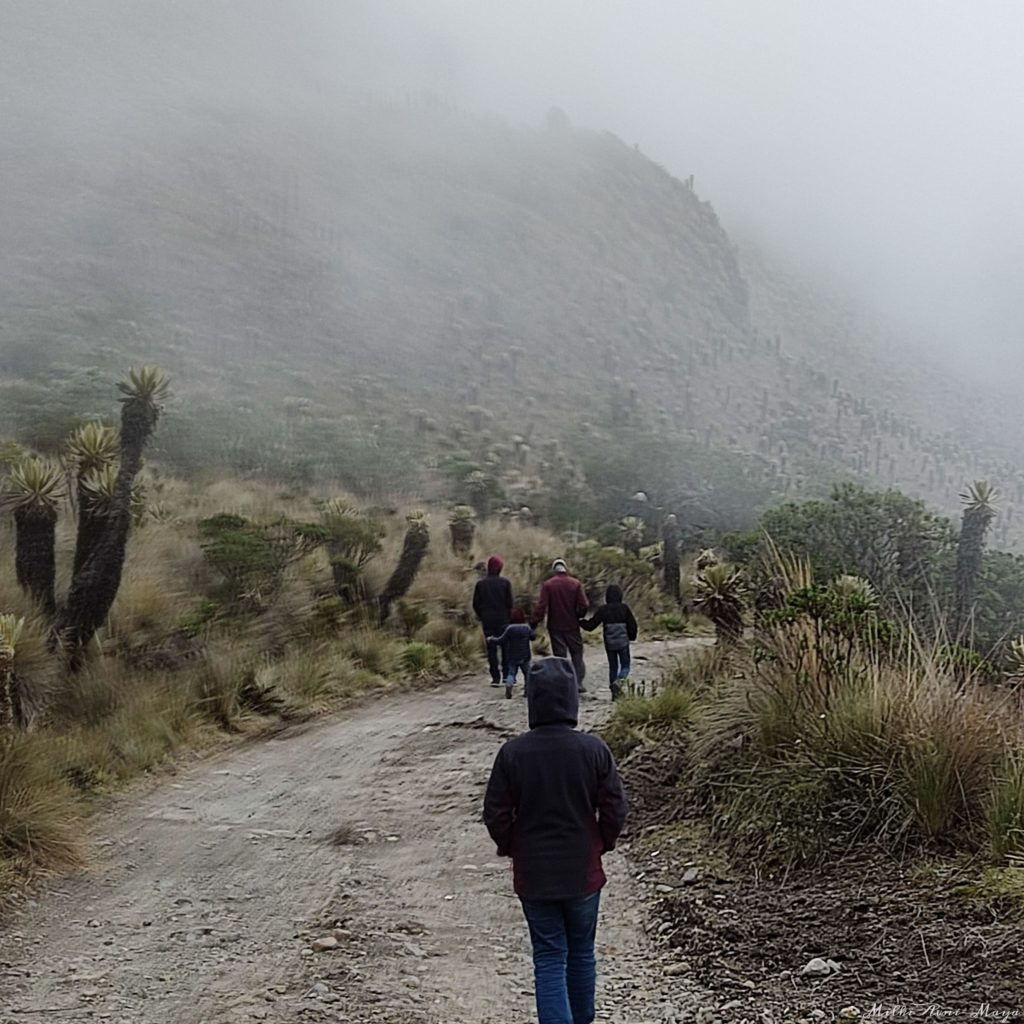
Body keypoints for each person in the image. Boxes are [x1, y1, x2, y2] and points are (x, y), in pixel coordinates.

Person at [484, 657, 628, 1024]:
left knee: (548, 956)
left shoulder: (512, 754)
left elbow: (496, 813)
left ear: (533, 700)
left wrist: (510, 845)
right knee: (581, 953)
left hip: (534, 874)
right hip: (583, 872)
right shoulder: (594, 750)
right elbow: (615, 809)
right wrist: (603, 843)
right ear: (571, 700)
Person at [531, 558, 589, 693]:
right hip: (572, 625)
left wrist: (533, 623)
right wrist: (579, 615)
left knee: (560, 656)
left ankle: (563, 683)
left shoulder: (548, 585)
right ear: (565, 569)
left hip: (555, 625)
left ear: (554, 570)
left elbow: (541, 607)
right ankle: (578, 683)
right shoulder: (576, 584)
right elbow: (584, 605)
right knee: (577, 653)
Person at [581, 585, 638, 701]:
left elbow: (591, 625)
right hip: (623, 642)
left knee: (613, 666)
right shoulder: (624, 608)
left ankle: (614, 694)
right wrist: (632, 637)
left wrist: (581, 622)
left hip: (610, 643)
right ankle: (620, 681)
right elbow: (633, 625)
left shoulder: (603, 609)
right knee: (625, 665)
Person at [473, 555, 514, 687]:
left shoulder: (481, 584)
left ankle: (495, 677)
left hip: (488, 620)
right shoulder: (505, 583)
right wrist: (508, 617)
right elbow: (510, 603)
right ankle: (507, 675)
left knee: (491, 648)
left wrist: (482, 615)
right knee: (506, 648)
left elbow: (476, 603)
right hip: (503, 620)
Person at [487, 608, 536, 699]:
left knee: (511, 673)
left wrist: (491, 639)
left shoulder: (509, 629)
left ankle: (509, 686)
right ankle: (527, 690)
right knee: (527, 673)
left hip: (513, 656)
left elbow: (501, 639)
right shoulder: (526, 628)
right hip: (525, 656)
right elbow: (533, 637)